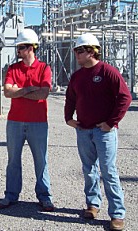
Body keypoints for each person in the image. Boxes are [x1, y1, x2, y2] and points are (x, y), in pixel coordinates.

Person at [64, 33, 132, 231]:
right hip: (84, 130)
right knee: (89, 170)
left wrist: (111, 122)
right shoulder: (77, 76)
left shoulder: (107, 71)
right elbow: (70, 98)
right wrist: (69, 118)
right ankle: (93, 204)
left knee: (108, 172)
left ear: (92, 51)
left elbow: (125, 98)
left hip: (104, 132)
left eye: (80, 50)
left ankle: (117, 214)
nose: (76, 54)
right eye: (75, 50)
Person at [0, 29, 54, 211]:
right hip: (15, 121)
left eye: (21, 47)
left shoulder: (44, 68)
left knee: (41, 160)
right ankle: (11, 195)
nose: (18, 51)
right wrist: (29, 89)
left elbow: (44, 93)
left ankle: (45, 196)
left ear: (30, 48)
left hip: (38, 121)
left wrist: (19, 91)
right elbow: (7, 92)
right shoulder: (13, 68)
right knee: (13, 160)